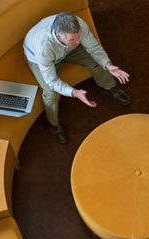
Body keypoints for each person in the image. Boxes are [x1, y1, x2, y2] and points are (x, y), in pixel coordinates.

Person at [24, 12, 131, 144]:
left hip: (67, 50)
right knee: (51, 93)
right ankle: (54, 124)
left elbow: (94, 48)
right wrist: (74, 92)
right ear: (59, 36)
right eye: (73, 39)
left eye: (79, 36)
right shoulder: (43, 47)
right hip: (38, 59)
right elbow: (52, 81)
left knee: (97, 62)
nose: (78, 41)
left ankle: (108, 87)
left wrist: (108, 65)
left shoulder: (78, 26)